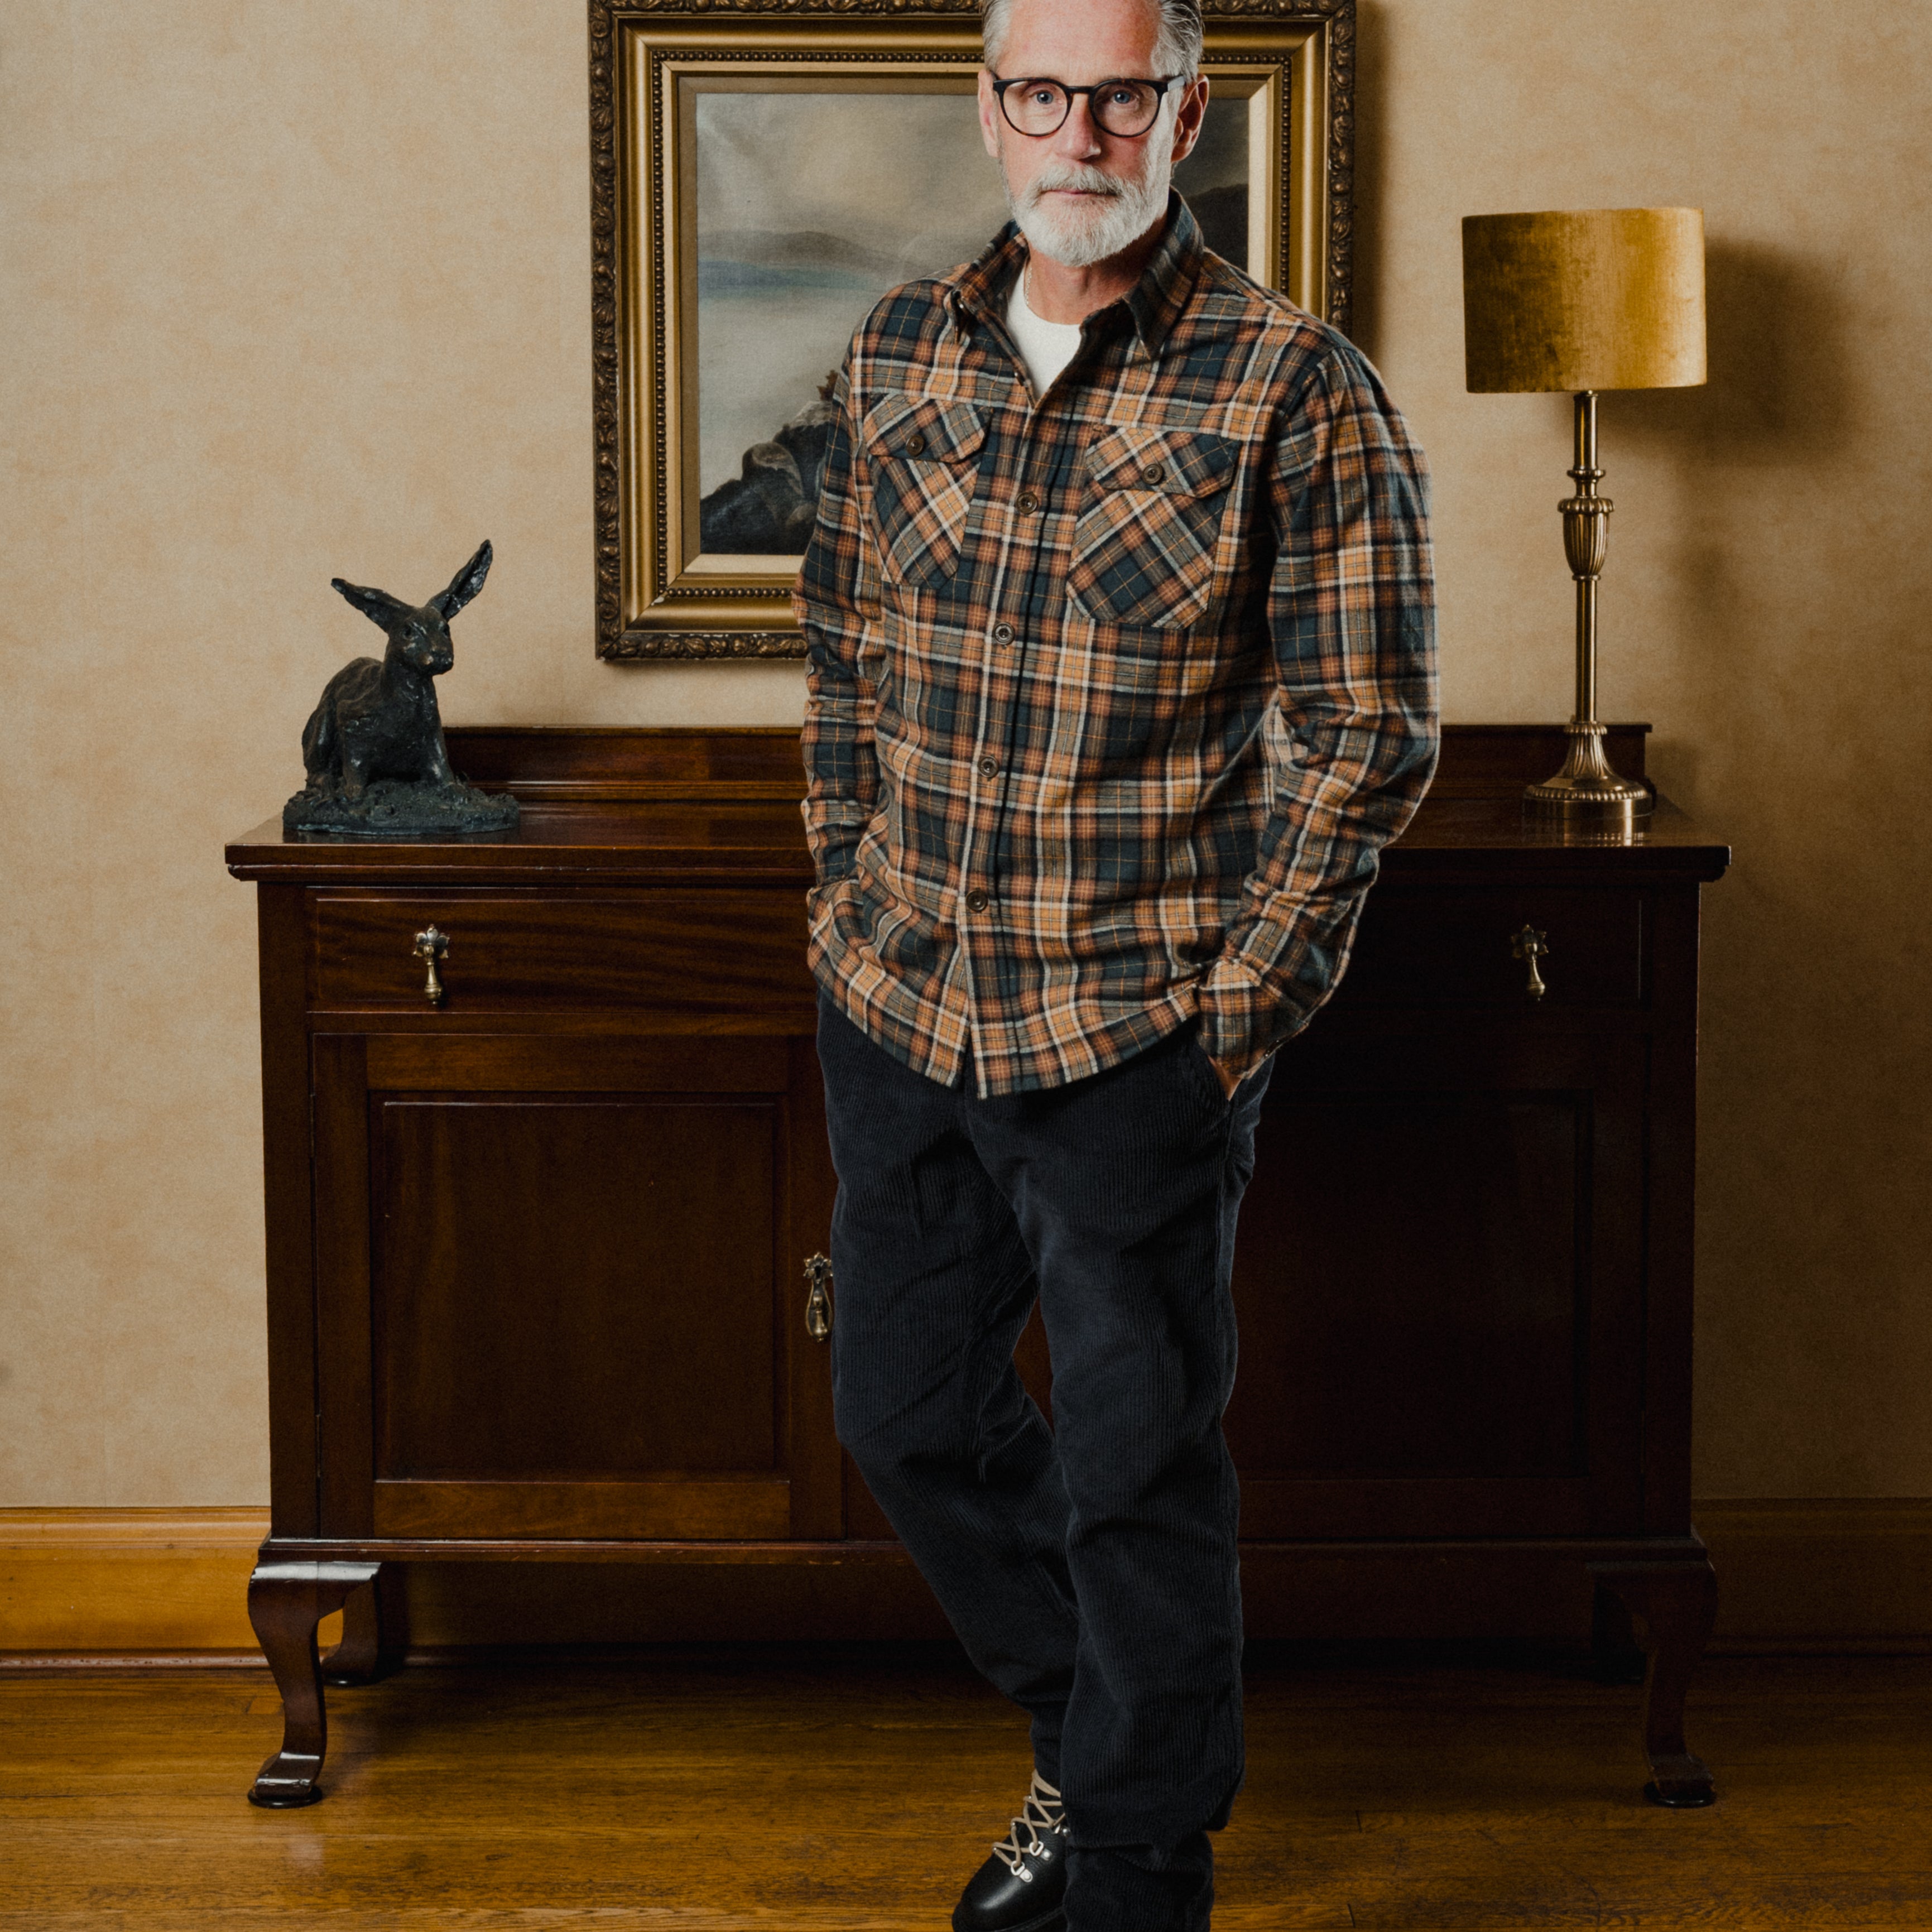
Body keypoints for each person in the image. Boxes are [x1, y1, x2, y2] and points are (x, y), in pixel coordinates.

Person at [794, 0, 1437, 1924]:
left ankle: (1143, 1866)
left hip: (1136, 1027)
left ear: (1188, 107)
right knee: (902, 1412)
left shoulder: (1296, 388)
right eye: (1047, 91)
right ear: (991, 111)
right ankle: (1101, 1750)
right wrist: (845, 890)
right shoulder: (896, 356)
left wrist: (1236, 1016)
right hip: (902, 1003)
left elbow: (1367, 731)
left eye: (1126, 88)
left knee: (1139, 1460)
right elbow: (841, 666)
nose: (1087, 128)